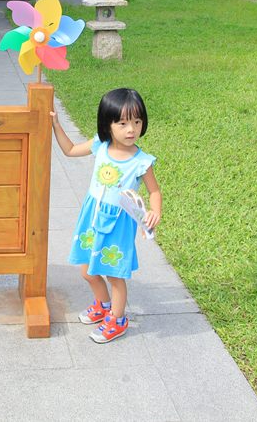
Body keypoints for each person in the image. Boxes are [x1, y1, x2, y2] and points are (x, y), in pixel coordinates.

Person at [50, 88, 163, 343]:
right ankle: (102, 306)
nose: (131, 129)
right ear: (107, 124)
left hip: (118, 223)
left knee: (114, 273)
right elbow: (69, 150)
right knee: (87, 270)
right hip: (93, 214)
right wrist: (56, 124)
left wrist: (155, 211)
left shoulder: (141, 161)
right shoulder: (100, 145)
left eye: (136, 121)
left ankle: (118, 319)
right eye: (122, 123)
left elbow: (154, 191)